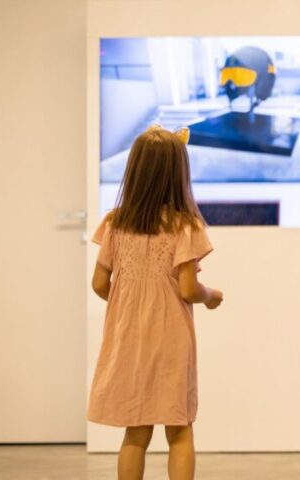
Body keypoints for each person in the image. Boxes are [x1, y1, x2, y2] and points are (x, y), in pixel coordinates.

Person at [89, 125, 224, 480]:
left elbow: (100, 283)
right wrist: (211, 297)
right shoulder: (185, 226)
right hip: (170, 340)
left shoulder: (116, 224)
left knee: (135, 432)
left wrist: (126, 306)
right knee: (179, 430)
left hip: (127, 339)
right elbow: (188, 289)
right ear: (178, 174)